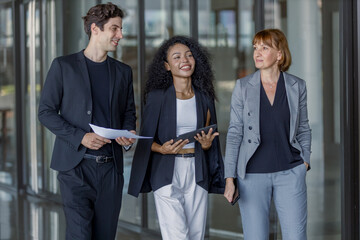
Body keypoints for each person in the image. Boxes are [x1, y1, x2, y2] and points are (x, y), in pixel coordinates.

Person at [38, 3, 136, 239]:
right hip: (75, 169)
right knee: (79, 235)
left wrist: (128, 135)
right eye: (115, 29)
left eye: (121, 29)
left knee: (105, 235)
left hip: (111, 170)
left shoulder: (123, 72)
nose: (120, 36)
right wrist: (80, 137)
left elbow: (129, 112)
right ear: (95, 29)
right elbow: (46, 112)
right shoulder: (63, 66)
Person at [128, 36, 225, 240]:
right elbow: (145, 140)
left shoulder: (204, 97)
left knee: (195, 234)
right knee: (178, 235)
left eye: (189, 55)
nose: (185, 60)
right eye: (177, 56)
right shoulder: (157, 96)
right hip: (165, 171)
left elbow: (208, 136)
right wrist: (162, 149)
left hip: (197, 170)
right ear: (167, 65)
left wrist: (206, 145)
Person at [223, 29, 312, 240]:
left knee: (296, 236)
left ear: (280, 54)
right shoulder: (243, 87)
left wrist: (304, 161)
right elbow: (235, 133)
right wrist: (229, 178)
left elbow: (304, 128)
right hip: (252, 174)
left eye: (265, 47)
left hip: (290, 172)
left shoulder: (297, 86)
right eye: (255, 48)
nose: (257, 53)